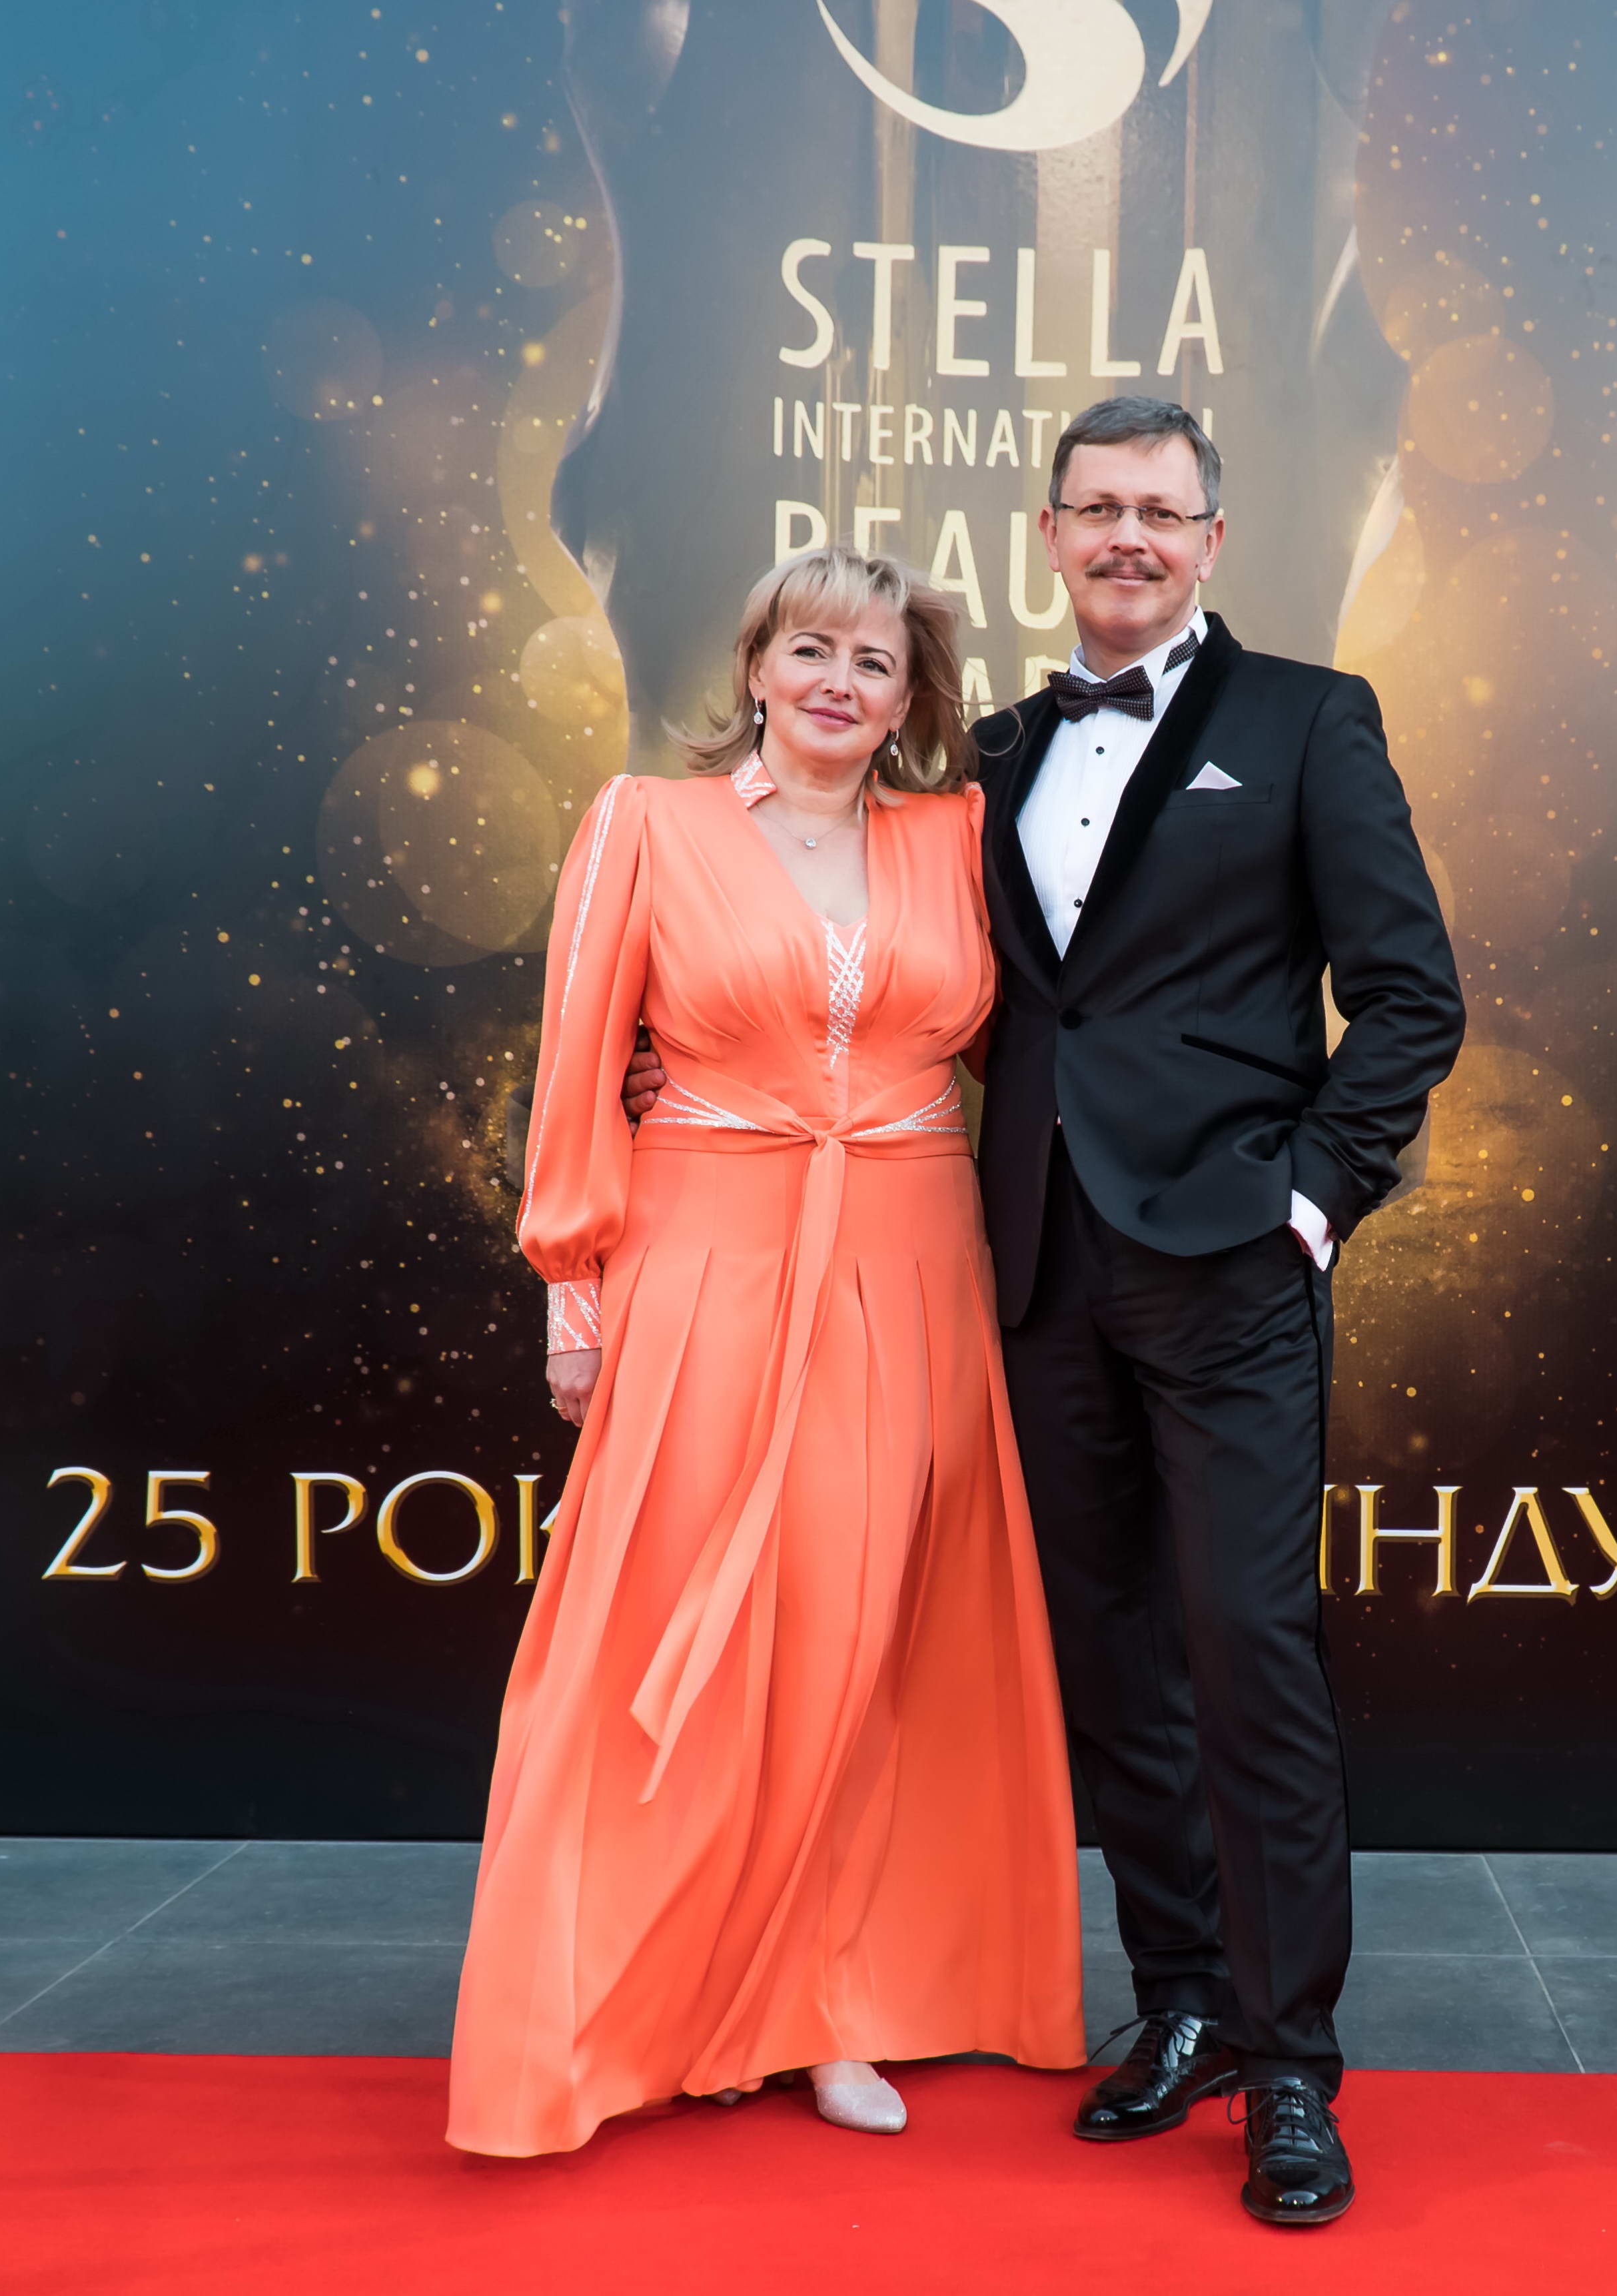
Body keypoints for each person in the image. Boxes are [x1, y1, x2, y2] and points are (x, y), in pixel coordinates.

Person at [629, 399, 1465, 2225]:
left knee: (1248, 1648)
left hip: (1232, 1266)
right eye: (1098, 508)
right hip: (1024, 1270)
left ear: (1212, 538)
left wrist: (1313, 1199)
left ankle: (1291, 2066)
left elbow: (1411, 995)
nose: (1129, 536)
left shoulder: (1310, 720)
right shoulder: (991, 754)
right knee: (1113, 1659)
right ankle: (1183, 2000)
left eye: (1162, 508)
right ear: (1052, 532)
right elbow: (876, 970)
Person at [446, 544, 1083, 2157]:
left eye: (875, 662)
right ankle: (646, 2005)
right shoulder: (646, 823)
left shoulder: (956, 837)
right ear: (754, 668)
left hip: (911, 1260)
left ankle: (827, 1997)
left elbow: (1036, 1042)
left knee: (866, 1636)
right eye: (811, 648)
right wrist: (575, 1295)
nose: (838, 683)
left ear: (911, 698)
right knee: (675, 1628)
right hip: (702, 1258)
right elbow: (578, 1066)